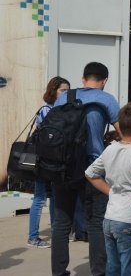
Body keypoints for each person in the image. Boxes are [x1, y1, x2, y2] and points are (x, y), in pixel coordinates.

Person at [51, 62, 121, 276]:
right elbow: (123, 132)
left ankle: (58, 271)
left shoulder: (64, 98)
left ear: (83, 79)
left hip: (64, 167)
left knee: (62, 223)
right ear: (105, 80)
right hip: (94, 169)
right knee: (96, 223)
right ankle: (98, 272)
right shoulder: (107, 99)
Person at [85, 103, 131, 276]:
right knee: (130, 270)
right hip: (130, 222)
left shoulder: (111, 149)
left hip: (110, 219)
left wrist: (111, 192)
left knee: (113, 268)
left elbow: (90, 174)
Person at [27, 76, 70, 249]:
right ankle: (33, 237)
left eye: (68, 90)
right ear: (54, 90)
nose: (66, 93)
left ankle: (55, 232)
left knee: (54, 196)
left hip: (54, 161)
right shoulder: (47, 109)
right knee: (39, 198)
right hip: (43, 161)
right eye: (63, 90)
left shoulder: (60, 110)